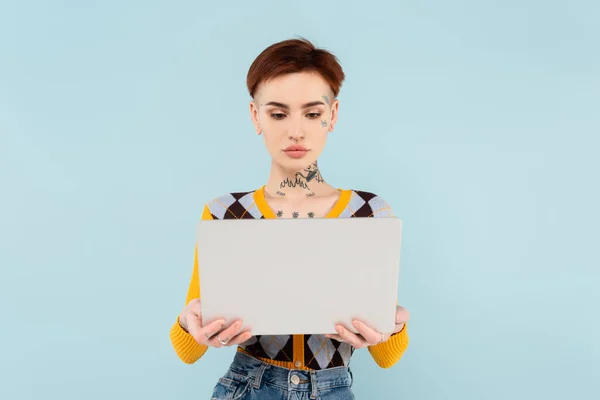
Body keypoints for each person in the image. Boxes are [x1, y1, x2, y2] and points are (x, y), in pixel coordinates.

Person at [169, 37, 411, 400]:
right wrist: (189, 324)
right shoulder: (225, 214)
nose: (295, 131)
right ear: (256, 116)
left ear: (333, 116)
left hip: (333, 387)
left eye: (312, 113)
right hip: (249, 386)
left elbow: (388, 356)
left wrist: (391, 328)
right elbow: (187, 349)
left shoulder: (369, 213)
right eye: (278, 114)